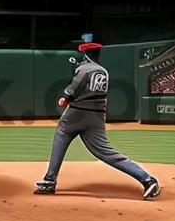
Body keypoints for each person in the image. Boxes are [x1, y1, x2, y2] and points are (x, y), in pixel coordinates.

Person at [35, 38, 160, 199]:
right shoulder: (104, 71)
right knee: (106, 152)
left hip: (76, 114)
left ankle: (50, 180)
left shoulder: (84, 69)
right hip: (96, 117)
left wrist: (65, 97)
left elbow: (74, 88)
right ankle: (147, 179)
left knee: (61, 135)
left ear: (85, 54)